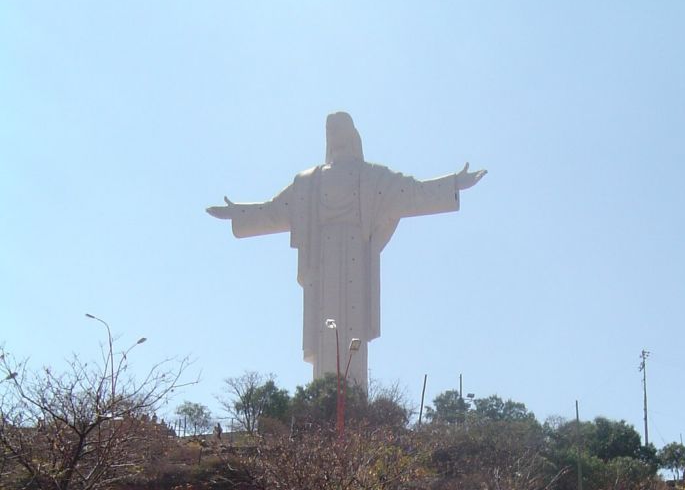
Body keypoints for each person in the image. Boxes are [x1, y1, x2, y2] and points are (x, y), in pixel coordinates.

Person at [207, 112, 486, 387]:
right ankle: (324, 397)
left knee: (352, 331)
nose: (333, 133)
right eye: (329, 129)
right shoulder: (309, 181)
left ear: (351, 133)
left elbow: (412, 191)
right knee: (325, 331)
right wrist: (238, 213)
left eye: (338, 127)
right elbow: (274, 210)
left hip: (356, 256)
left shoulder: (372, 177)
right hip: (322, 261)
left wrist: (452, 183)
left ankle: (352, 397)